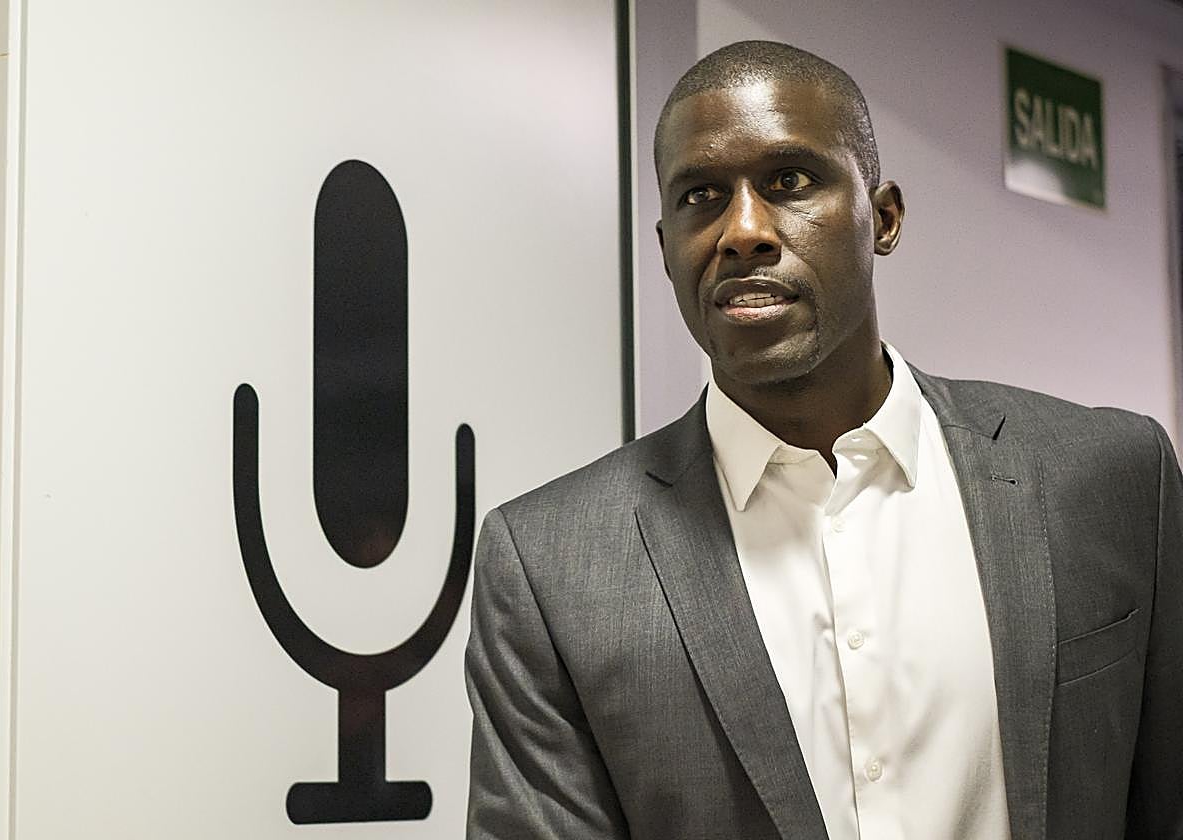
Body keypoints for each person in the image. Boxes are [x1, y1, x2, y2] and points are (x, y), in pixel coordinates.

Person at [463, 40, 1182, 840]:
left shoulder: (1109, 478)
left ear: (884, 218)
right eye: (702, 196)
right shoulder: (551, 565)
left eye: (789, 181)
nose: (742, 231)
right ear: (665, 251)